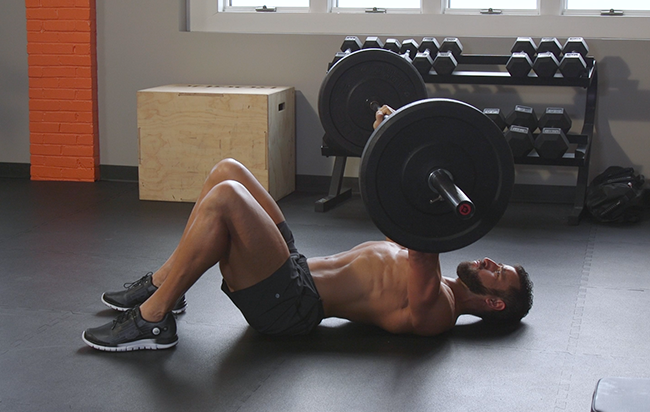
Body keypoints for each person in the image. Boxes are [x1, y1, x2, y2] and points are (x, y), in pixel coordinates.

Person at [82, 106, 533, 352]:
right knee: (228, 171)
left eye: (499, 273)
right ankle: (167, 286)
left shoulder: (439, 313)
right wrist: (390, 137)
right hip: (292, 268)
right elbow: (398, 204)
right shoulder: (431, 266)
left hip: (289, 305)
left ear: (494, 301)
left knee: (226, 202)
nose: (491, 262)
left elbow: (418, 242)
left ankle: (153, 321)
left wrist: (415, 141)